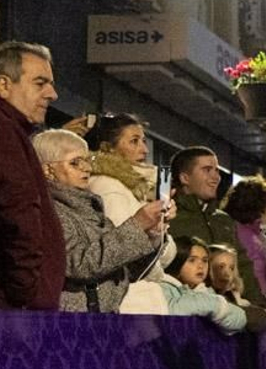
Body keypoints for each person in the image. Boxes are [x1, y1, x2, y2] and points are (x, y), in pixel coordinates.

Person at [0, 41, 66, 308]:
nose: (53, 94)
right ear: (4, 85)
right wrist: (26, 290)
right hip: (8, 303)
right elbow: (18, 210)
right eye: (40, 83)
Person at [36, 129, 167, 313]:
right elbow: (78, 264)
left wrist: (152, 233)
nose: (87, 168)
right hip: (73, 324)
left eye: (87, 160)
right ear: (48, 170)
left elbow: (126, 272)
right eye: (75, 162)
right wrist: (137, 225)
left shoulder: (91, 209)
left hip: (102, 320)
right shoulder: (50, 212)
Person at [85, 113, 175, 273]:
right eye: (134, 141)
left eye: (143, 141)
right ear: (108, 148)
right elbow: (122, 257)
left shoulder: (136, 189)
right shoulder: (107, 186)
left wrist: (157, 229)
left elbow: (166, 259)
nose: (145, 150)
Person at [168, 146, 260, 301]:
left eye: (216, 170)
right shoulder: (168, 217)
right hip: (185, 309)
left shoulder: (224, 220)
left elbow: (243, 267)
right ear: (185, 178)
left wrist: (259, 304)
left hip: (227, 310)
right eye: (207, 170)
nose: (216, 177)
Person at [160, 236, 248, 333]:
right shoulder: (162, 288)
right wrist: (215, 306)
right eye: (192, 260)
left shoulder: (206, 291)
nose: (201, 266)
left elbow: (240, 319)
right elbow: (170, 312)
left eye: (205, 260)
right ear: (177, 260)